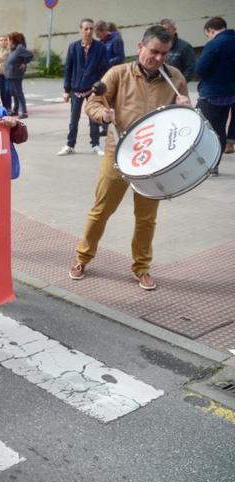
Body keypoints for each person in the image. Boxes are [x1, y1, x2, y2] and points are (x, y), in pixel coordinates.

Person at [70, 25, 189, 291]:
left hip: (154, 160)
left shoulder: (175, 78)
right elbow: (93, 103)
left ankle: (142, 267)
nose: (158, 59)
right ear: (140, 47)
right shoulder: (118, 73)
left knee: (146, 218)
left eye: (164, 54)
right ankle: (82, 258)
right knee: (101, 210)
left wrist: (185, 109)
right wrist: (103, 114)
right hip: (118, 153)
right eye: (154, 52)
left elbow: (181, 122)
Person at [59, 19, 108, 156]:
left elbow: (104, 68)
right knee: (74, 119)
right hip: (76, 88)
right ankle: (70, 145)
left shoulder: (100, 47)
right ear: (80, 30)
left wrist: (100, 86)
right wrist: (66, 90)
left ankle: (96, 145)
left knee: (94, 118)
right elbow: (68, 68)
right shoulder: (73, 47)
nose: (88, 31)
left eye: (91, 29)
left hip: (93, 89)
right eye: (86, 29)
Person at [195, 16, 235, 177]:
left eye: (208, 34)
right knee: (220, 129)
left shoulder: (214, 45)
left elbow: (201, 69)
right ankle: (215, 165)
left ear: (210, 30)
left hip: (212, 93)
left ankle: (207, 164)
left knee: (204, 127)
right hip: (231, 93)